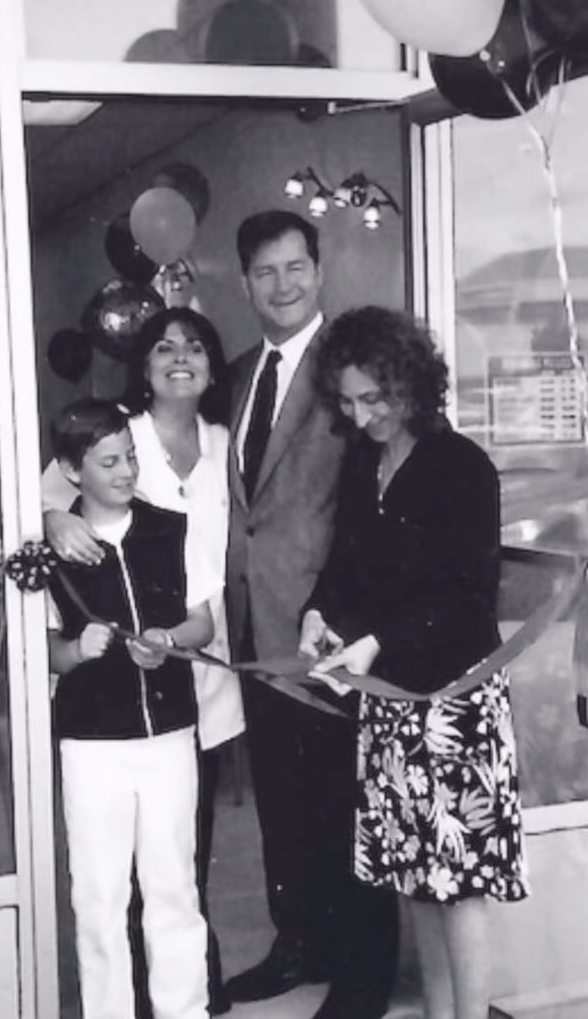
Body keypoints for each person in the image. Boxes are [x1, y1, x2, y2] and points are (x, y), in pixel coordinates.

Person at [300, 306, 529, 1019]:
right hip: (393, 703)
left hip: (453, 706)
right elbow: (345, 567)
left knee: (457, 885)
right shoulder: (366, 460)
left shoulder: (462, 468)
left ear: (411, 384)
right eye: (348, 400)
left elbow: (466, 599)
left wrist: (376, 643)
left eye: (376, 398)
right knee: (413, 879)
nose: (362, 414)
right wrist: (318, 616)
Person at [42, 307, 244, 1015]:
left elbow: (201, 618)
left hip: (174, 730)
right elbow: (48, 651)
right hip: (93, 741)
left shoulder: (177, 519)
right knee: (99, 893)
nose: (126, 469)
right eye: (109, 461)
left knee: (174, 885)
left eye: (129, 457)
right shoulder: (57, 550)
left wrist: (168, 639)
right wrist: (75, 646)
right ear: (74, 471)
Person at [222, 210, 397, 1019]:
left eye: (296, 267)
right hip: (256, 635)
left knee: (343, 808)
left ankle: (363, 980)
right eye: (265, 272)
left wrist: (351, 618)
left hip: (328, 638)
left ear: (319, 271)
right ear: (246, 282)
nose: (283, 285)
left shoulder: (351, 369)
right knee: (284, 810)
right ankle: (301, 946)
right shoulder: (239, 374)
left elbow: (371, 507)